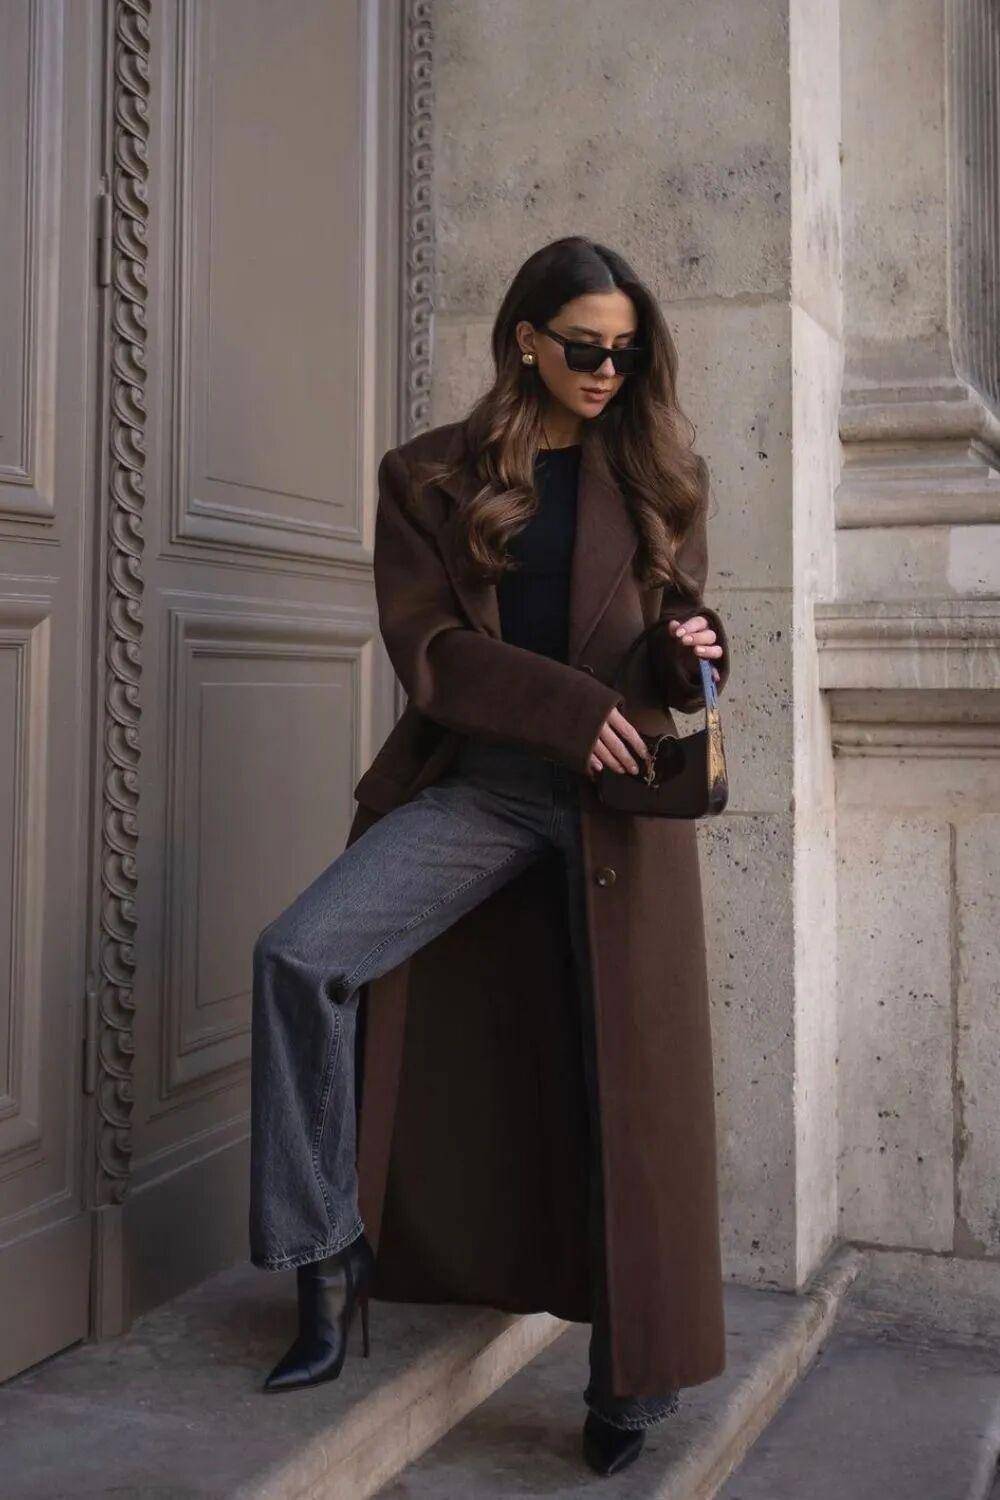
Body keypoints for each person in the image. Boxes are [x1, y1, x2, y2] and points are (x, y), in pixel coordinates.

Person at [248, 235, 729, 1479]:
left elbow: (674, 630)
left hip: (617, 811)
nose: (607, 371)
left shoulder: (661, 475)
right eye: (584, 347)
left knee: (623, 1086)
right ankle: (323, 1256)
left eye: (625, 352)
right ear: (524, 338)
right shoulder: (427, 477)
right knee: (301, 957)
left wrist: (692, 654)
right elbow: (432, 653)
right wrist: (568, 709)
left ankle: (632, 1381)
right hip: (484, 790)